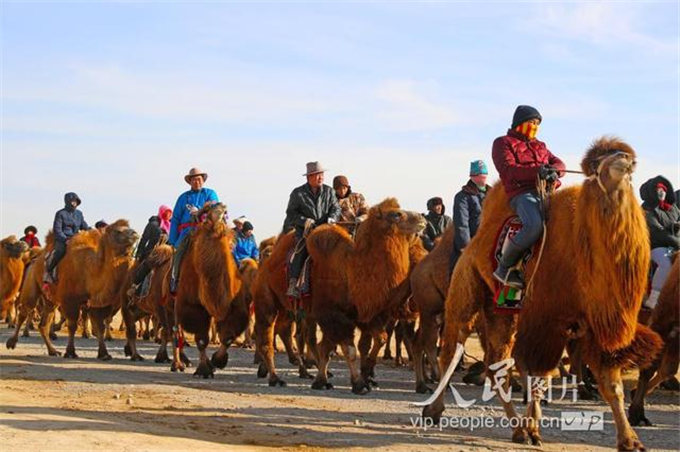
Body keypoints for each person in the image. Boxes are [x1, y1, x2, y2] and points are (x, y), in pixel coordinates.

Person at [491, 105, 565, 289]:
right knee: (534, 226)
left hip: (547, 193)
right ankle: (504, 267)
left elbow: (559, 163)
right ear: (520, 122)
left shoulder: (540, 145)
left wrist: (554, 170)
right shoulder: (502, 143)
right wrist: (537, 171)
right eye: (531, 122)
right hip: (521, 194)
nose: (535, 126)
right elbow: (508, 170)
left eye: (537, 123)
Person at [284, 161, 341, 298]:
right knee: (301, 250)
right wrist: (304, 221)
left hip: (326, 231)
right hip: (305, 233)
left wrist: (332, 218)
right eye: (316, 175)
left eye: (321, 174)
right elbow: (291, 214)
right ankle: (293, 284)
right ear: (309, 177)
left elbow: (336, 208)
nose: (320, 177)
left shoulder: (330, 191)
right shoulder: (297, 193)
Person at [168, 168, 219, 294]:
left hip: (205, 232)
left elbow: (215, 207)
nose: (197, 182)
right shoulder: (183, 198)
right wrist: (173, 240)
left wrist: (201, 210)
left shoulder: (210, 194)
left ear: (203, 180)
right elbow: (175, 219)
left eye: (199, 179)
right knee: (178, 253)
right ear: (190, 181)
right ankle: (175, 279)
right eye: (194, 179)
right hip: (187, 233)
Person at [640, 176, 680, 309]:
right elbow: (656, 231)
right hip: (654, 246)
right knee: (665, 263)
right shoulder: (647, 209)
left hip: (672, 245)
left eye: (663, 189)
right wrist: (676, 238)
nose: (661, 192)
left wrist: (676, 227)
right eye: (658, 189)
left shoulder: (673, 209)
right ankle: (653, 298)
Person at [450, 160, 491, 274]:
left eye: (484, 176)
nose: (483, 179)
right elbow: (461, 223)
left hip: (490, 240)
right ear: (472, 176)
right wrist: (465, 246)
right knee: (463, 273)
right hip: (473, 241)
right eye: (480, 176)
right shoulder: (462, 197)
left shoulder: (492, 194)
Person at [43, 192, 90, 285]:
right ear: (68, 201)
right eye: (73, 201)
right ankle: (48, 271)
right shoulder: (60, 213)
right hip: (63, 239)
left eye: (76, 201)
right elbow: (57, 229)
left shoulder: (79, 214)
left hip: (76, 239)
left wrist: (94, 231)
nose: (74, 203)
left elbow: (84, 226)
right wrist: (65, 240)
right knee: (60, 251)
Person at [130, 205, 173, 297]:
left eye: (170, 213)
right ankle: (135, 286)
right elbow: (144, 239)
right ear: (161, 212)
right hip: (152, 251)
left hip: (166, 253)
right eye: (166, 213)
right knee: (147, 265)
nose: (168, 215)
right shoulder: (153, 225)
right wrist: (139, 253)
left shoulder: (171, 227)